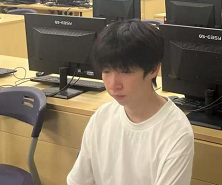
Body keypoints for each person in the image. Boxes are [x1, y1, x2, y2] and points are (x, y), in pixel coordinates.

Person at [67, 20, 194, 185]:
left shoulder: (176, 132)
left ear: (153, 69)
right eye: (106, 71)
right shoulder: (102, 117)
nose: (113, 84)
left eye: (125, 72)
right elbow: (78, 181)